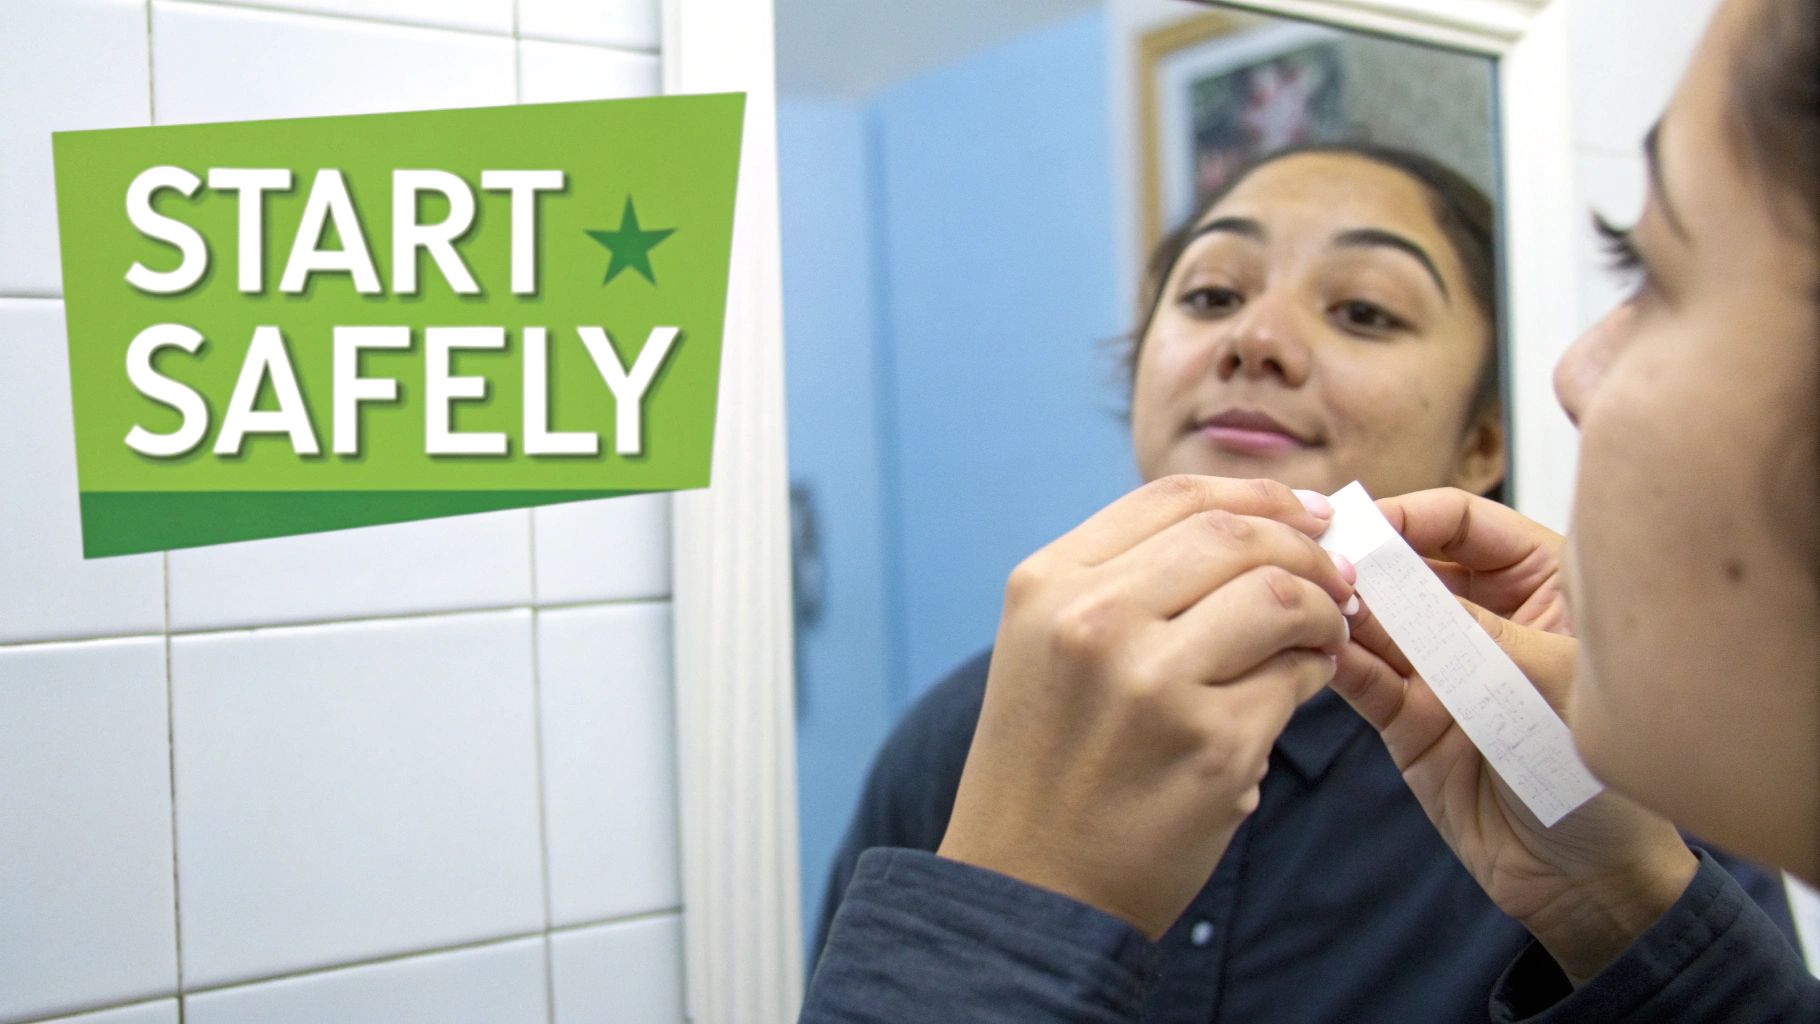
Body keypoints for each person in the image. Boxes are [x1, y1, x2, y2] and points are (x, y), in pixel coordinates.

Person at [800, 0, 1819, 1019]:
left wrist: (1617, 906)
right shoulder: (970, 737)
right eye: (1207, 296)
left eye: (1362, 310)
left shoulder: (1624, 757)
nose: (1254, 339)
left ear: (1482, 442)